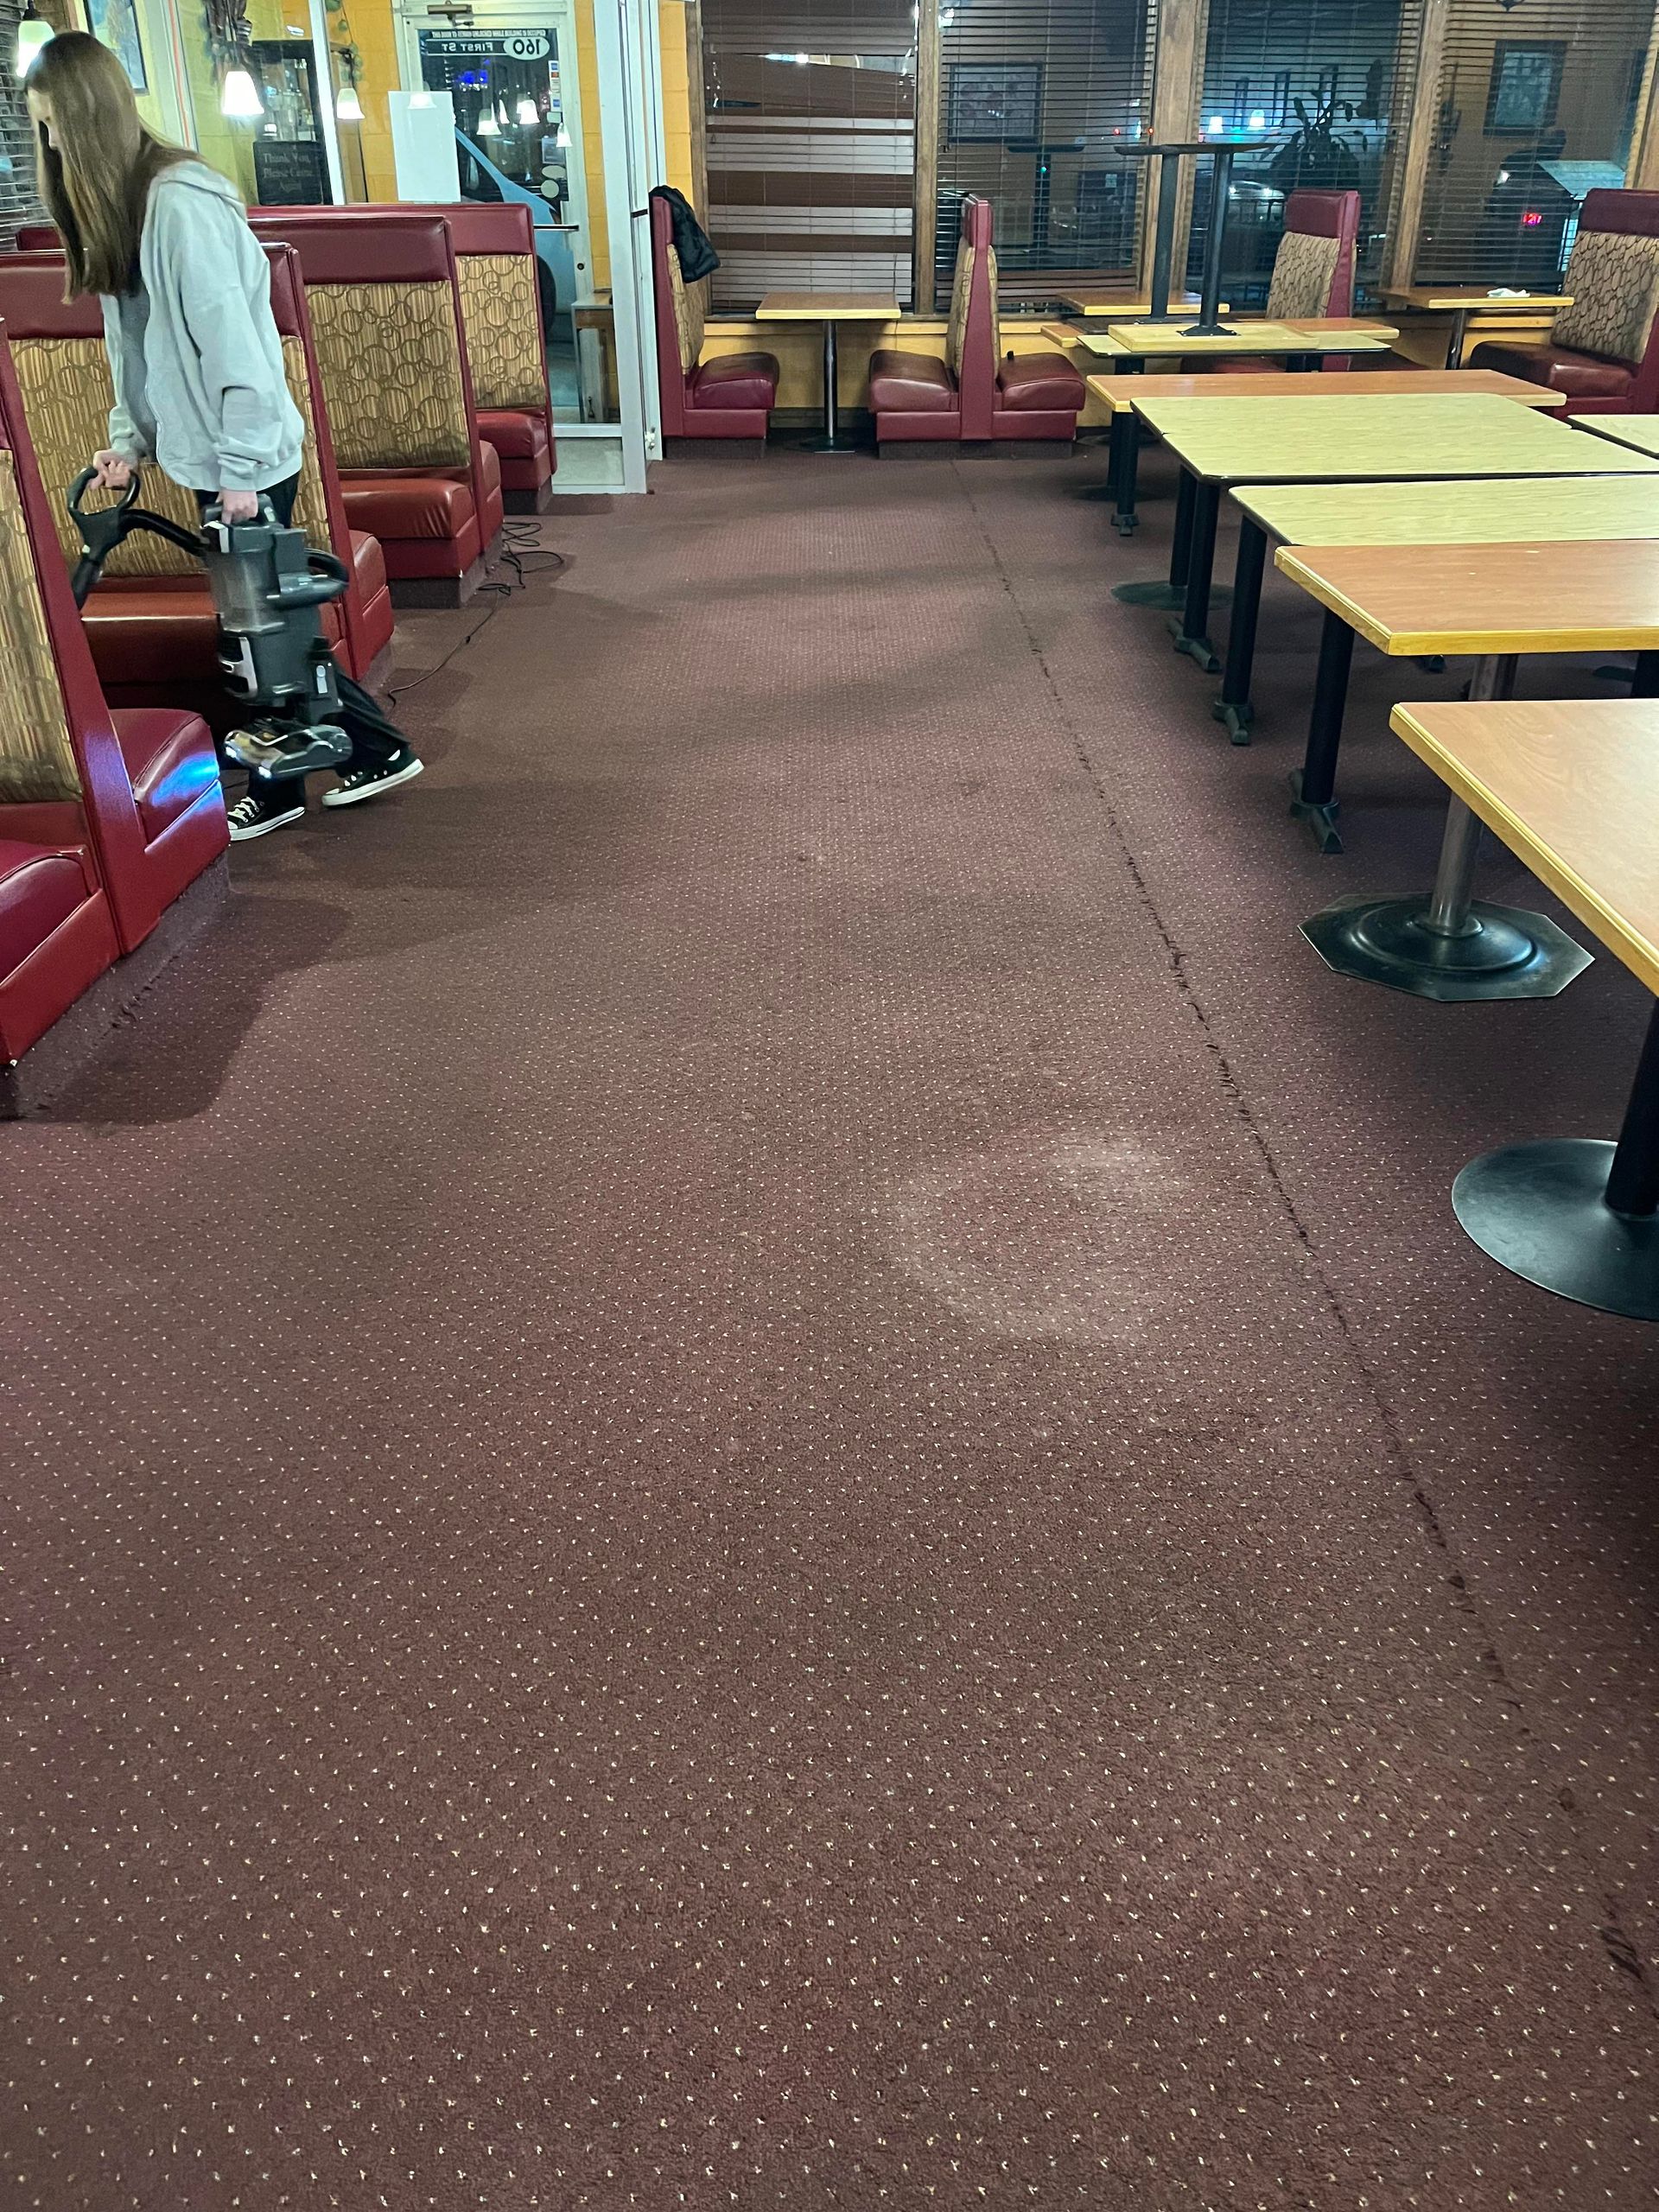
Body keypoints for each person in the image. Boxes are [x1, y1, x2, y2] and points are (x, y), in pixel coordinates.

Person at [25, 33, 423, 843]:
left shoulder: (182, 206)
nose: (51, 144)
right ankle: (344, 761)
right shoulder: (126, 209)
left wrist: (241, 470)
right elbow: (136, 348)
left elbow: (236, 351)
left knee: (257, 633)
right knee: (259, 629)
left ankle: (327, 768)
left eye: (56, 126)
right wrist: (127, 441)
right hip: (210, 454)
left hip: (243, 457)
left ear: (89, 117)